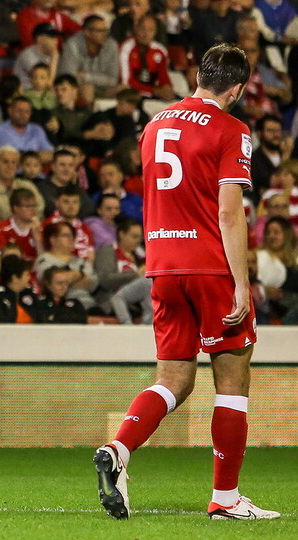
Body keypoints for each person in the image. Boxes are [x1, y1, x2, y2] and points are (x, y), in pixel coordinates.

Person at [94, 44, 280, 521]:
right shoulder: (232, 129)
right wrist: (242, 281)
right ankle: (226, 498)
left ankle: (119, 448)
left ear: (199, 75)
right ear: (236, 89)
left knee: (174, 379)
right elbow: (228, 209)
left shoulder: (155, 124)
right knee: (233, 380)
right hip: (211, 267)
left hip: (161, 266)